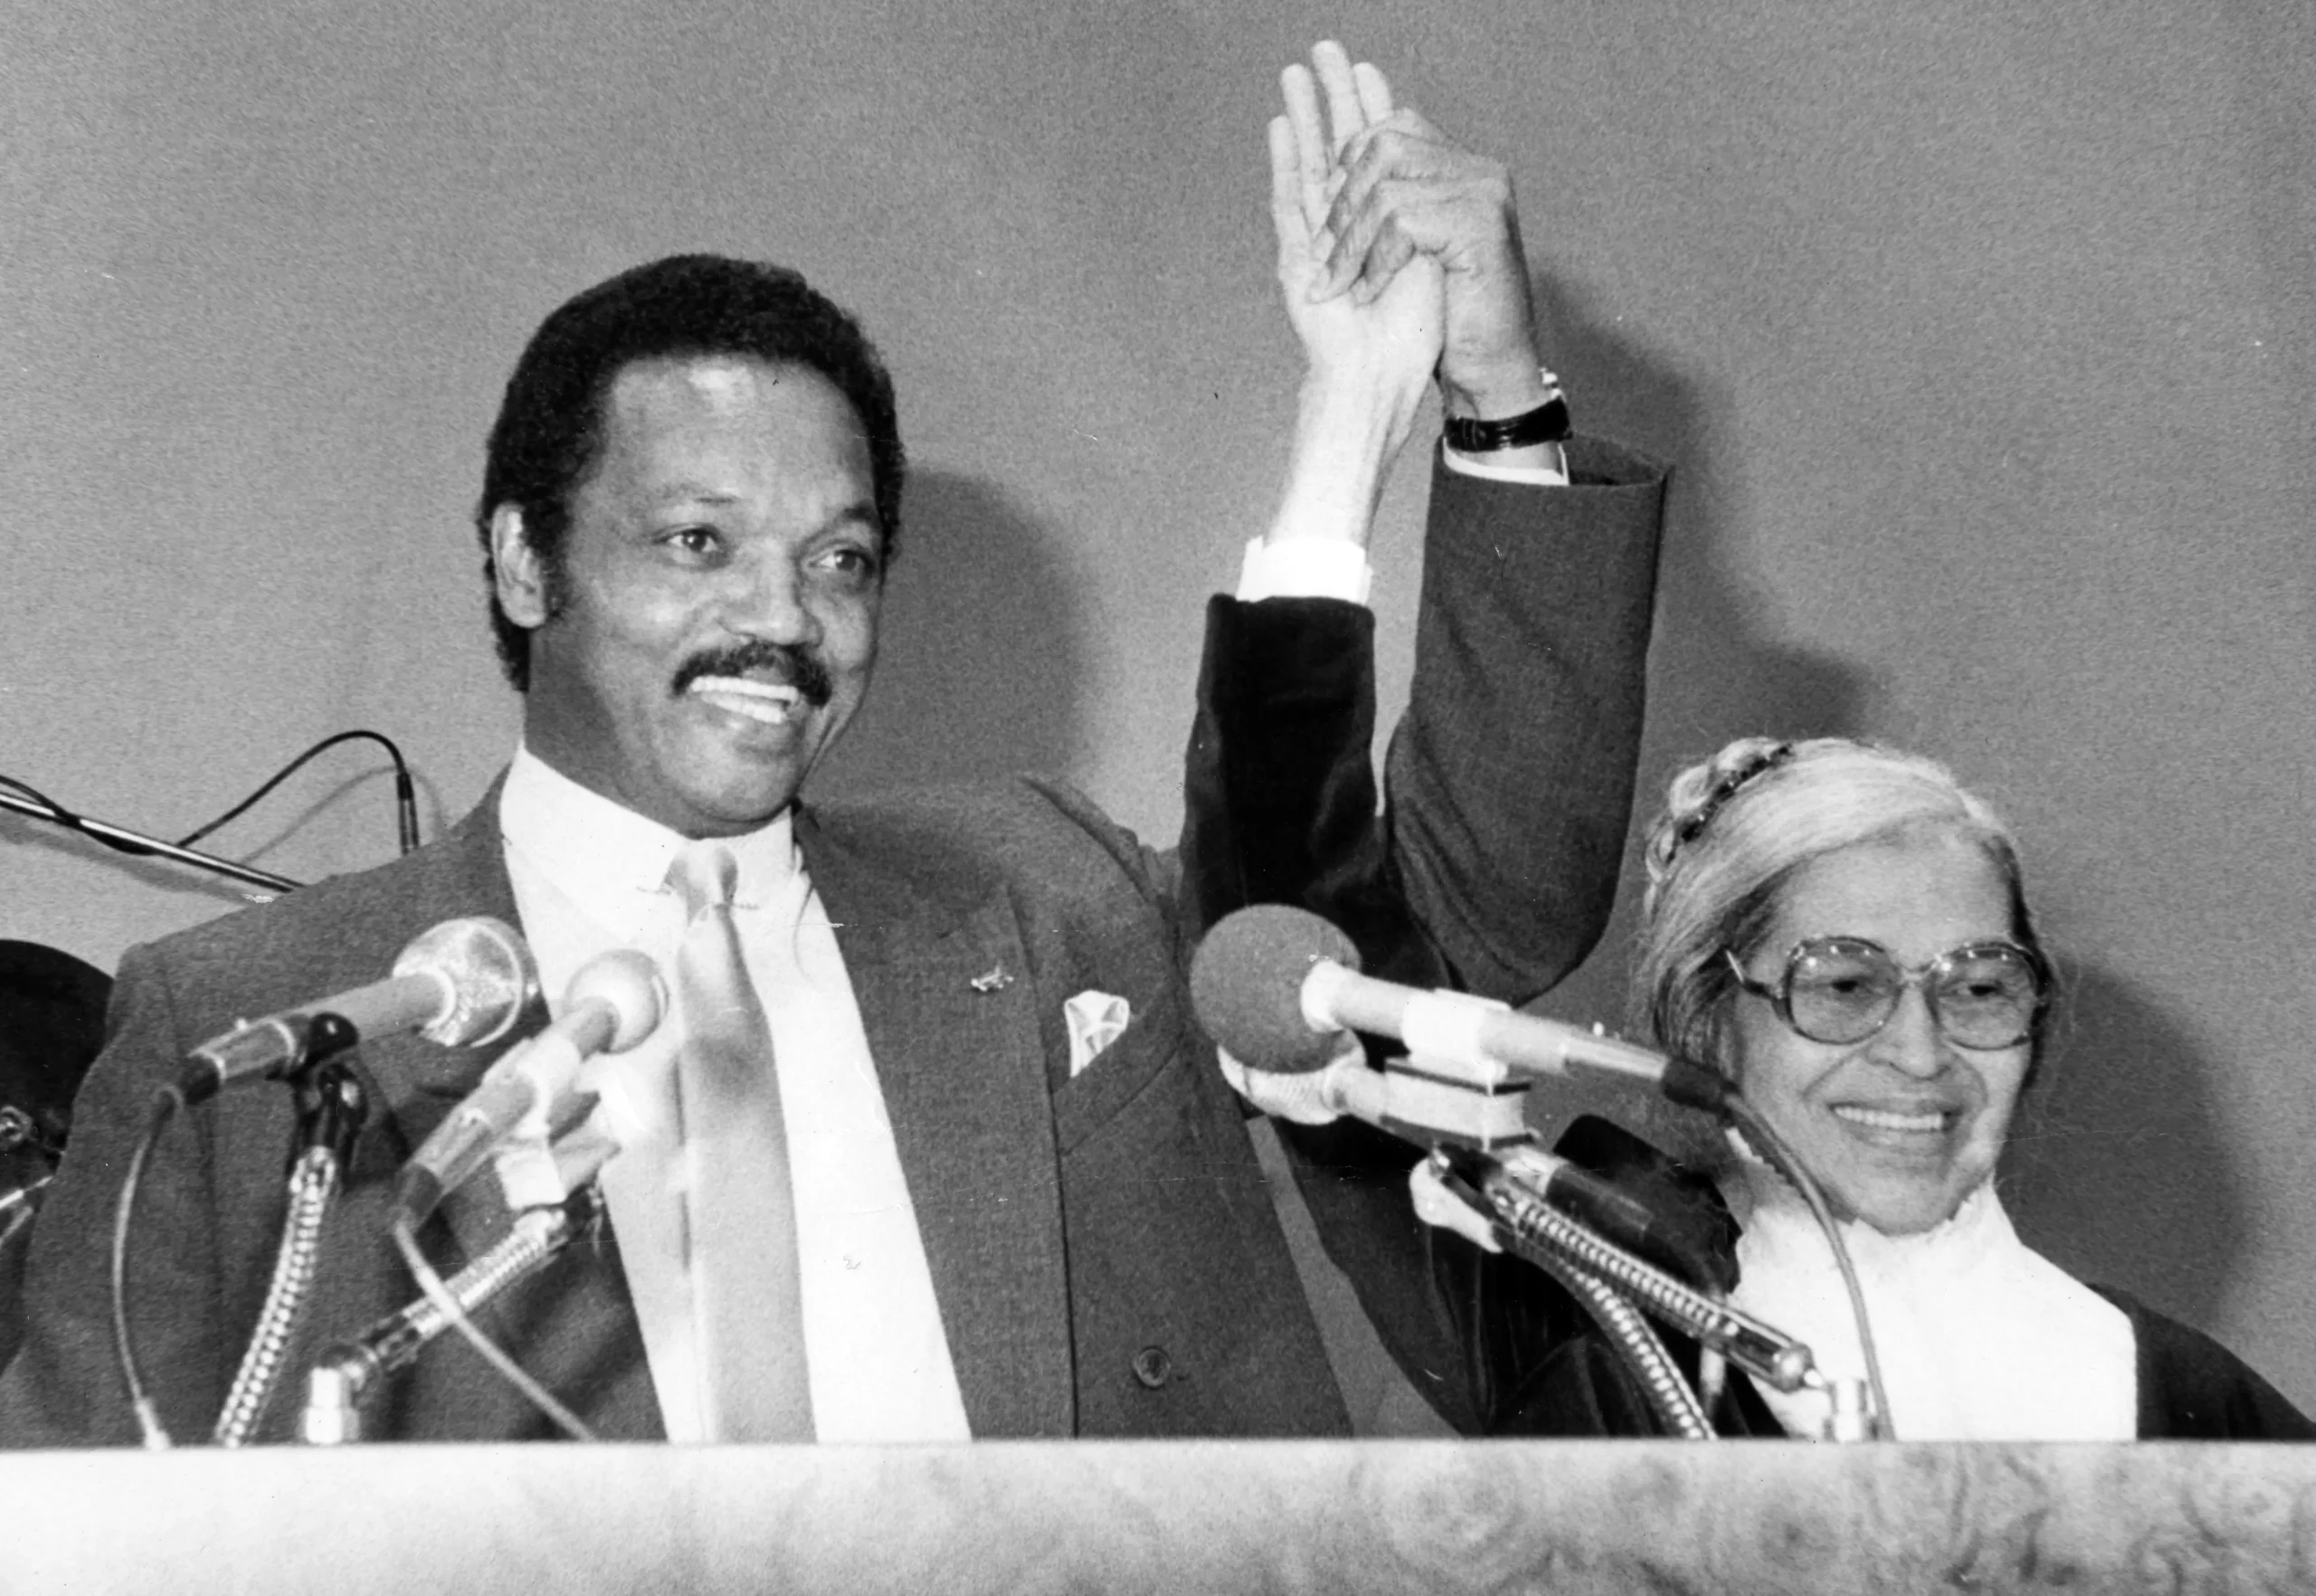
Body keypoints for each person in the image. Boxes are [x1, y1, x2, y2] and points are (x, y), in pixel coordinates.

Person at [0, 44, 1666, 1445]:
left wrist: (1398, 411)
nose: (782, 618)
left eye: (842, 557)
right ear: (523, 560)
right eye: (697, 542)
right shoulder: (253, 1031)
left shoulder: (1046, 896)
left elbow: (1464, 922)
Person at [1421, 736, 2316, 1439]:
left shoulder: (2196, 1400)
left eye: (1978, 988)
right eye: (1844, 985)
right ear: (1703, 1020)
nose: (1921, 1055)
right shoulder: (1619, 1383)